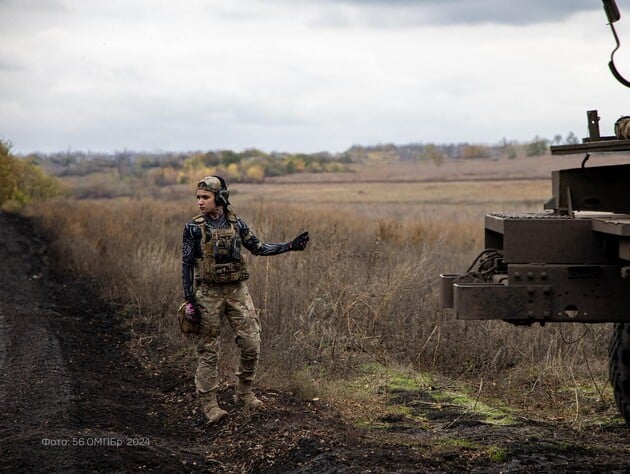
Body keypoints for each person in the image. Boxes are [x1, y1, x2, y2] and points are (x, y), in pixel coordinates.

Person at [181, 175, 309, 424]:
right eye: (198, 197)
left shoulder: (236, 223)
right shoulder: (193, 228)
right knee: (209, 351)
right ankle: (210, 406)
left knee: (252, 343)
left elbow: (259, 247)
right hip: (207, 293)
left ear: (220, 198)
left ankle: (244, 393)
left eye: (205, 197)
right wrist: (189, 300)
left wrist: (290, 246)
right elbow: (186, 264)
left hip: (237, 291)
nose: (200, 202)